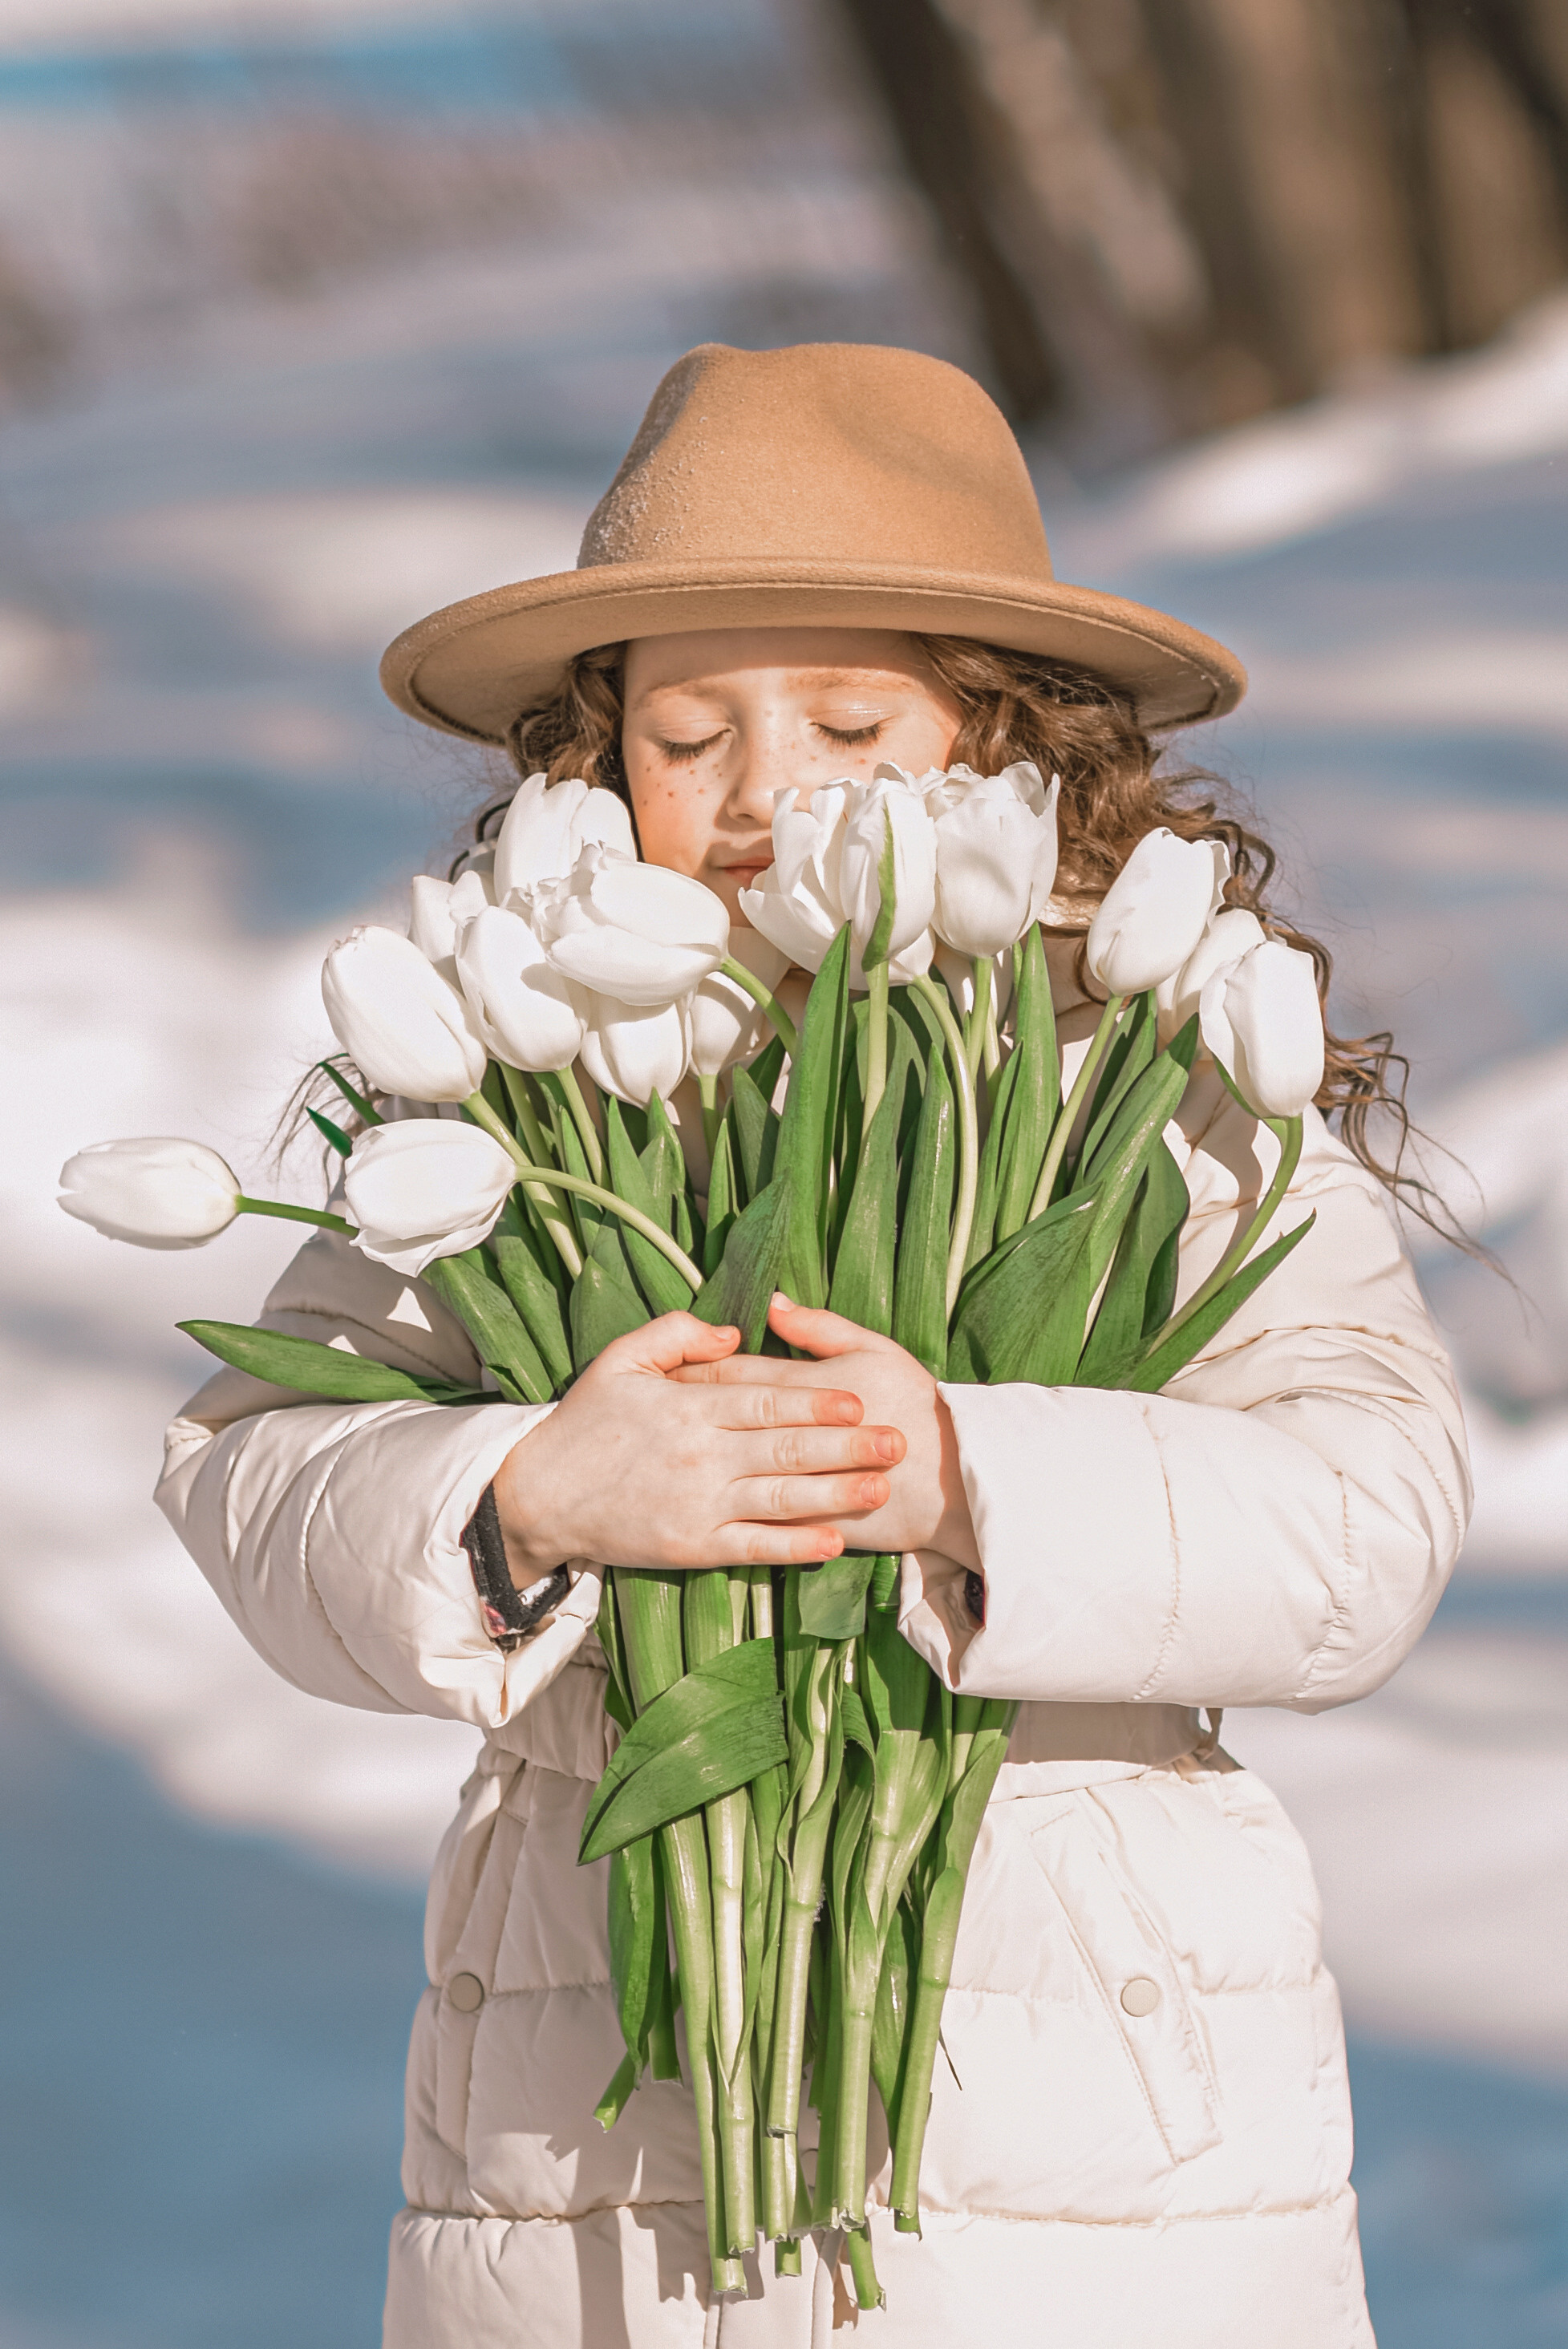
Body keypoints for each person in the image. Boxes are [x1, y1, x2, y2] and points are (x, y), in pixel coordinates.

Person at [157, 343, 1470, 2348]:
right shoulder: (516, 1099)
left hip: (1081, 2152)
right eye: (692, 735)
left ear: (1003, 746)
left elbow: (1369, 1510)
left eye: (853, 721)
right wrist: (517, 1500)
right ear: (598, 769)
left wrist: (966, 1475)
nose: (770, 793)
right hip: (592, 2147)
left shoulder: (1166, 1075)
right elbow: (252, 1465)